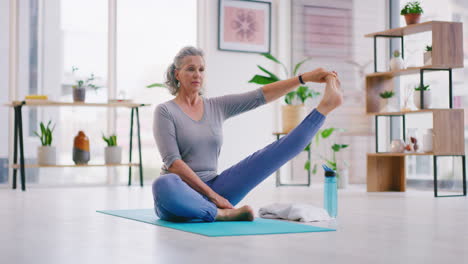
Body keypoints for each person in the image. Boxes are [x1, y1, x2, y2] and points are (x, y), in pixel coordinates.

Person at [152, 46, 343, 222]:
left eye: (201, 69)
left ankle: (324, 109)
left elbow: (260, 96)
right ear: (177, 74)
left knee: (271, 154)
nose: (197, 74)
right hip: (180, 194)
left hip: (216, 186)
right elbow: (174, 164)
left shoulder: (215, 106)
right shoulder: (165, 111)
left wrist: (304, 78)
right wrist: (214, 197)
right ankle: (220, 214)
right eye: (190, 69)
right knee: (164, 183)